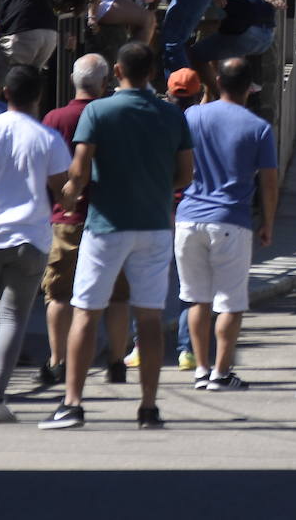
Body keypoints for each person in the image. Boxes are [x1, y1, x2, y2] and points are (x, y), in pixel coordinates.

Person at [39, 42, 192, 431]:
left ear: (118, 70)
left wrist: (69, 197)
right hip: (155, 224)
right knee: (151, 316)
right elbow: (185, 174)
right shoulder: (171, 115)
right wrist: (157, 189)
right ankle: (148, 408)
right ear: (152, 70)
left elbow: (79, 168)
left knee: (87, 311)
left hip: (106, 224)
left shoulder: (98, 111)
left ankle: (72, 402)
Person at [175, 57, 277, 393]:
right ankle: (221, 372)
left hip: (189, 217)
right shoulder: (258, 127)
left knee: (196, 300)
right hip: (231, 220)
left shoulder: (191, 116)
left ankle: (201, 369)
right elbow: (269, 183)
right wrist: (268, 222)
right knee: (230, 302)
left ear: (217, 82)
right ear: (250, 88)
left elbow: (176, 163)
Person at [38, 55, 131, 391]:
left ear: (73, 79)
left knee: (59, 294)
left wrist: (60, 199)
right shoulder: (115, 116)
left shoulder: (54, 118)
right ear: (105, 82)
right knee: (118, 295)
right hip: (111, 218)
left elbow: (46, 167)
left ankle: (58, 362)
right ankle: (116, 362)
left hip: (67, 218)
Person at [0, 66, 71, 423]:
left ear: (5, 91)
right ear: (37, 96)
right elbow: (63, 191)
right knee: (12, 318)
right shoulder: (47, 138)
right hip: (31, 238)